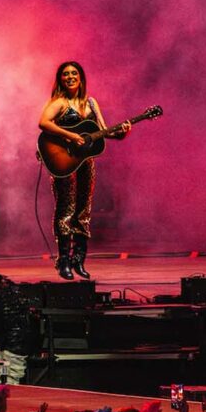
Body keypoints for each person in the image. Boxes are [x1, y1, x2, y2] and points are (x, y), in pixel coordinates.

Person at [38, 61, 131, 281]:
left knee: (84, 209)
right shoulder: (59, 102)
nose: (70, 76)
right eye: (66, 74)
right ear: (61, 79)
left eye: (74, 73)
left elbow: (103, 130)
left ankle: (78, 259)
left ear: (80, 78)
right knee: (66, 208)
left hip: (86, 162)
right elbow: (43, 123)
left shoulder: (90, 102)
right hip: (65, 161)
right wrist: (71, 136)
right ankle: (63, 261)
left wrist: (121, 133)